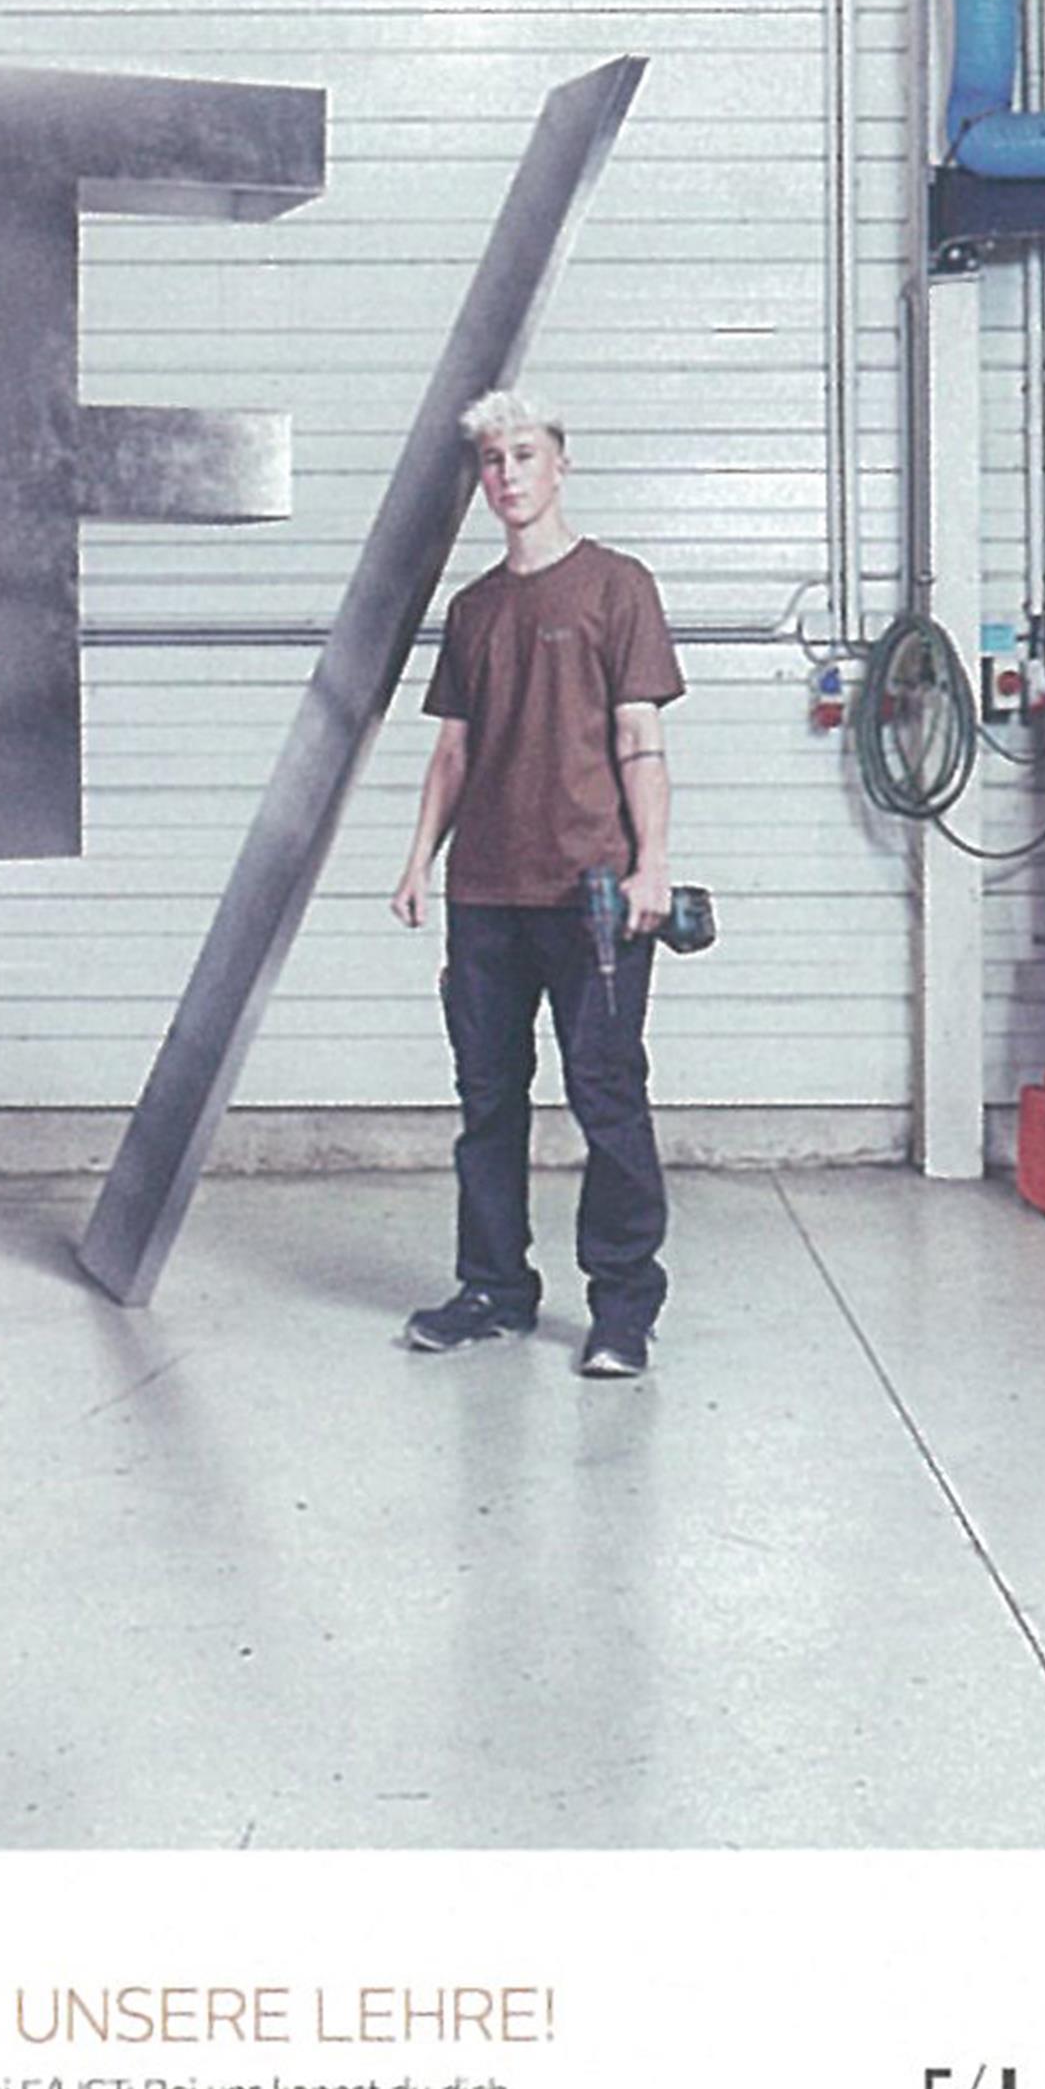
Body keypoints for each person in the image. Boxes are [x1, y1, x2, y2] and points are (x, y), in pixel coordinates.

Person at [390, 388, 684, 1376]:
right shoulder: (473, 610)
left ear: (561, 463)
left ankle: (623, 1308)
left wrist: (652, 863)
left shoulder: (616, 586)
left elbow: (640, 739)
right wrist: (418, 862)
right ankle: (493, 1290)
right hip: (485, 895)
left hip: (594, 896)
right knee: (487, 1100)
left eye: (524, 454)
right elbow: (453, 753)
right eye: (492, 460)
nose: (508, 474)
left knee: (607, 1096)